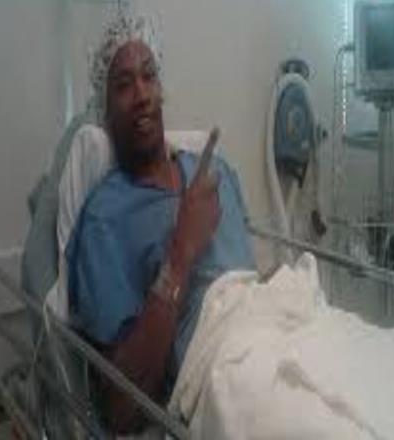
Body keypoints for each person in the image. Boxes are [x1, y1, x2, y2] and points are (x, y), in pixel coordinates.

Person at [65, 13, 256, 435]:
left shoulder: (217, 174)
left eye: (149, 76)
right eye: (123, 84)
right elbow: (121, 408)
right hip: (226, 383)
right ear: (104, 110)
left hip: (277, 336)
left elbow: (245, 284)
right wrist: (181, 253)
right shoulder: (105, 218)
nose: (141, 95)